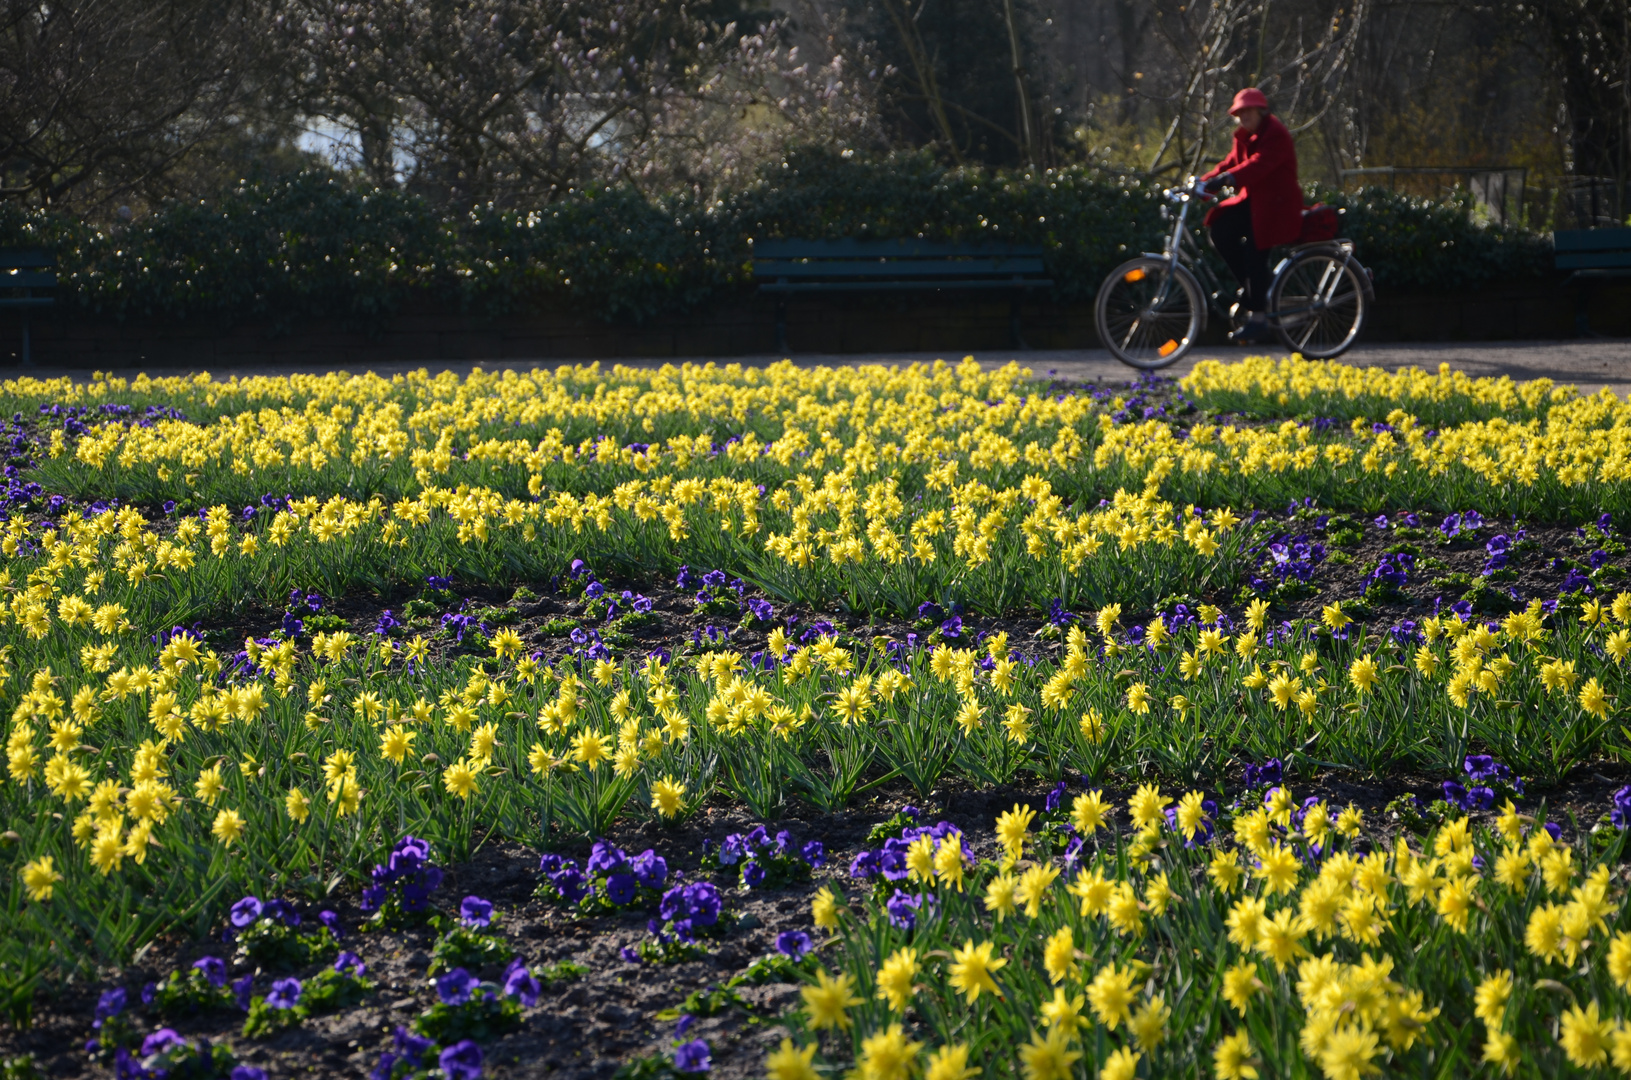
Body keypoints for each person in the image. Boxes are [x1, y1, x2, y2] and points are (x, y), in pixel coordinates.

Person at [1199, 88, 1304, 344]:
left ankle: (1259, 318)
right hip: (1255, 203)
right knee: (1221, 229)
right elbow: (1231, 162)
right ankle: (1254, 290)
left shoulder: (1275, 133)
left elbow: (1258, 164)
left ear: (1260, 111)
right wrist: (1202, 182)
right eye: (1240, 112)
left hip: (1275, 207)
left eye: (1249, 110)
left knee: (1256, 254)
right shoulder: (1245, 135)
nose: (1244, 116)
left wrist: (1229, 178)